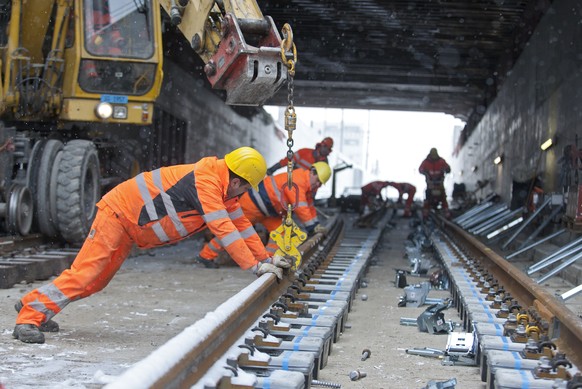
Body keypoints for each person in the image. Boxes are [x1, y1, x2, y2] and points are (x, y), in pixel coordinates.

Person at [13, 146, 291, 344]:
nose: (245, 195)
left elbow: (242, 226)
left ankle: (33, 302)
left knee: (95, 282)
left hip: (128, 223)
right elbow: (225, 230)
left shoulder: (223, 188)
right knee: (86, 275)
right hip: (119, 215)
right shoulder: (205, 181)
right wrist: (255, 267)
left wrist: (267, 258)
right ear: (236, 182)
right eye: (245, 188)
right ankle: (29, 317)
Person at [198, 162, 332, 263]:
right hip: (253, 205)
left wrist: (316, 225)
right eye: (319, 181)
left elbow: (309, 207)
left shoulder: (306, 186)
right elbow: (300, 206)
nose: (318, 186)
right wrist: (311, 227)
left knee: (282, 233)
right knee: (232, 233)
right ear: (312, 172)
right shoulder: (298, 179)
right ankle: (206, 255)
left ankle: (268, 261)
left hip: (269, 211)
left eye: (321, 184)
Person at [266, 137, 333, 175]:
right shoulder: (304, 152)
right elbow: (288, 160)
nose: (325, 149)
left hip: (306, 190)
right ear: (320, 145)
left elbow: (319, 181)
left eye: (327, 148)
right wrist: (273, 169)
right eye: (324, 146)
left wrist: (311, 197)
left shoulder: (324, 164)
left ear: (329, 150)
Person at [418, 148, 451, 218]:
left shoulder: (441, 161)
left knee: (443, 197)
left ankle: (446, 211)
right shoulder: (426, 162)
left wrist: (447, 170)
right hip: (430, 183)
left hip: (440, 182)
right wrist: (424, 172)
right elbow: (420, 169)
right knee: (428, 197)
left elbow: (448, 168)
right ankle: (426, 212)